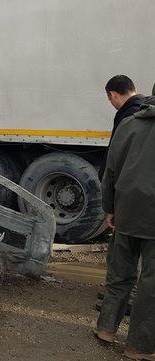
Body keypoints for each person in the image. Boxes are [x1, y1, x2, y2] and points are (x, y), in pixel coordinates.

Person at [95, 95, 155, 360]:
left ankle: (106, 329)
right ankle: (139, 347)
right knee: (150, 284)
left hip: (126, 211)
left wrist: (109, 207)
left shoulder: (129, 123)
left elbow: (111, 170)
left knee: (120, 274)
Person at [99, 75, 145, 181]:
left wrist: (103, 177)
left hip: (129, 182)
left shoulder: (126, 116)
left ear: (113, 95)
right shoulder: (148, 108)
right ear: (135, 90)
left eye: (109, 99)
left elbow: (115, 152)